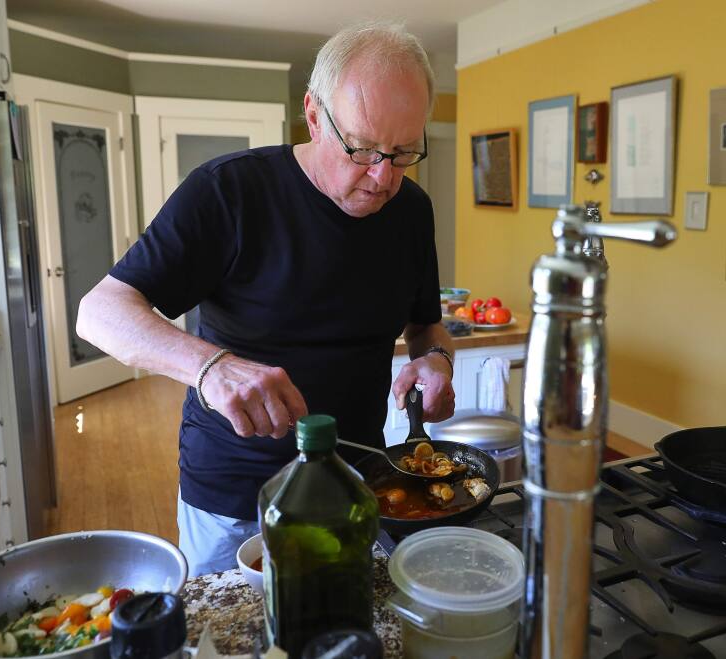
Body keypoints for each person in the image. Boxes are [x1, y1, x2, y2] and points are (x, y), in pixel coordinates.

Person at [76, 21, 456, 576]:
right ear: (312, 114)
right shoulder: (229, 192)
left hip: (360, 483)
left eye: (403, 153)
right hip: (236, 497)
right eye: (363, 149)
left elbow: (425, 326)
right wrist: (211, 368)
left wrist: (437, 358)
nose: (382, 177)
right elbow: (99, 312)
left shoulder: (412, 210)